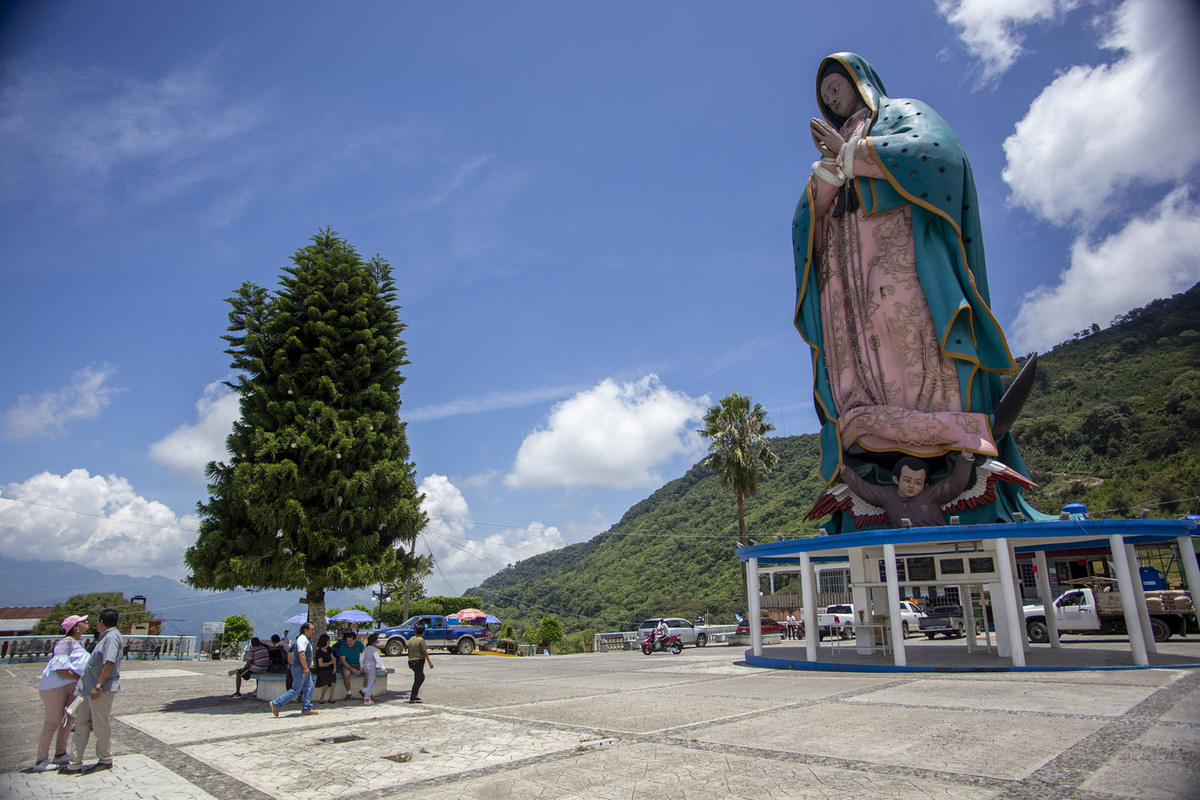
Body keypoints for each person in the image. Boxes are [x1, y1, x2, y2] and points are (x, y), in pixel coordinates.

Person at [792, 53, 1036, 530]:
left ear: (861, 82)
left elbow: (936, 155)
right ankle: (868, 421)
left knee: (907, 329)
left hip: (896, 249)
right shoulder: (833, 147)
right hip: (846, 268)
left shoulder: (902, 115)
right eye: (825, 94)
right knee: (858, 343)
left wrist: (851, 155)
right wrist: (826, 178)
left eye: (837, 86)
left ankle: (942, 425)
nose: (831, 97)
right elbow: (806, 223)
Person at [839, 451, 976, 528]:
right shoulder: (887, 495)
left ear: (925, 485)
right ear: (896, 480)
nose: (911, 485)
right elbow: (865, 490)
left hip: (936, 539)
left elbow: (956, 483)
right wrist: (845, 472)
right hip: (902, 543)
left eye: (918, 482)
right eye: (907, 480)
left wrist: (965, 459)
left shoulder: (932, 494)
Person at [62, 608, 123, 775]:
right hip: (88, 690)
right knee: (81, 724)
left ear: (101, 622)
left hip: (99, 690)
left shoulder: (111, 638)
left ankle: (105, 758)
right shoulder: (107, 637)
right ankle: (74, 762)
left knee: (100, 725)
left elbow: (109, 662)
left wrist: (98, 685)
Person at [32, 615, 90, 772]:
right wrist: (80, 678)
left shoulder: (78, 643)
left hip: (70, 686)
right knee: (52, 722)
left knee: (67, 720)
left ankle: (60, 753)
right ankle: (41, 760)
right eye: (83, 622)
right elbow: (61, 668)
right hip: (56, 686)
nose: (87, 623)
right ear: (75, 627)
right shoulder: (65, 643)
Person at [269, 621, 317, 717]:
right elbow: (301, 654)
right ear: (305, 630)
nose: (313, 631)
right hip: (300, 668)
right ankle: (276, 703)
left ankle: (306, 708)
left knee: (309, 687)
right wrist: (305, 668)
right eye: (311, 630)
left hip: (303, 667)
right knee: (296, 689)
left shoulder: (305, 639)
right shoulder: (302, 639)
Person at [334, 630, 365, 701]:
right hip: (347, 664)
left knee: (368, 671)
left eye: (351, 641)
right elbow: (343, 660)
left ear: (355, 640)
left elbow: (364, 656)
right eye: (347, 641)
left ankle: (364, 689)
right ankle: (348, 692)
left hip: (357, 663)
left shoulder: (359, 644)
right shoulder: (343, 646)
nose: (349, 643)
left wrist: (362, 666)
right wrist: (352, 669)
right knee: (346, 674)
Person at [407, 623, 432, 704]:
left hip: (411, 661)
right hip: (418, 661)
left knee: (418, 677)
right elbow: (424, 652)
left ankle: (415, 695)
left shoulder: (411, 639)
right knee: (419, 678)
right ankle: (412, 697)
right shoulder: (421, 640)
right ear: (423, 632)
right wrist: (430, 663)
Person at [313, 634, 337, 704]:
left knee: (333, 681)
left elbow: (333, 658)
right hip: (322, 669)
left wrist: (334, 667)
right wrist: (330, 662)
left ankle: (331, 697)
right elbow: (321, 664)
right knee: (326, 682)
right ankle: (322, 698)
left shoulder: (329, 649)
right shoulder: (319, 652)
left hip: (330, 668)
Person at [361, 633, 385, 705]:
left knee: (372, 680)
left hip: (366, 666)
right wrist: (383, 668)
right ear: (374, 642)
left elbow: (361, 658)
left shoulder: (366, 649)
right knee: (370, 683)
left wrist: (361, 666)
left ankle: (364, 691)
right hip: (371, 667)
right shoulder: (374, 650)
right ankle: (367, 698)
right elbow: (378, 660)